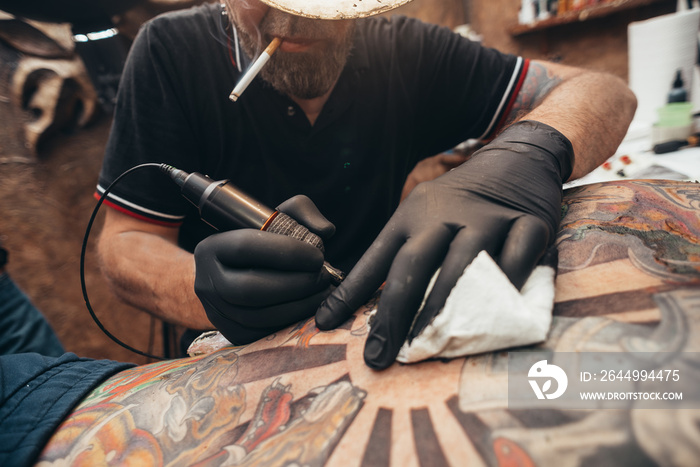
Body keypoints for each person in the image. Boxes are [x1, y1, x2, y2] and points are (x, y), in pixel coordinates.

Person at [95, 0, 636, 369]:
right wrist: (204, 291)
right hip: (236, 347)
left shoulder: (407, 53)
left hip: (378, 324)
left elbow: (604, 92)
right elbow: (123, 245)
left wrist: (528, 152)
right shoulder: (170, 52)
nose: (292, 13)